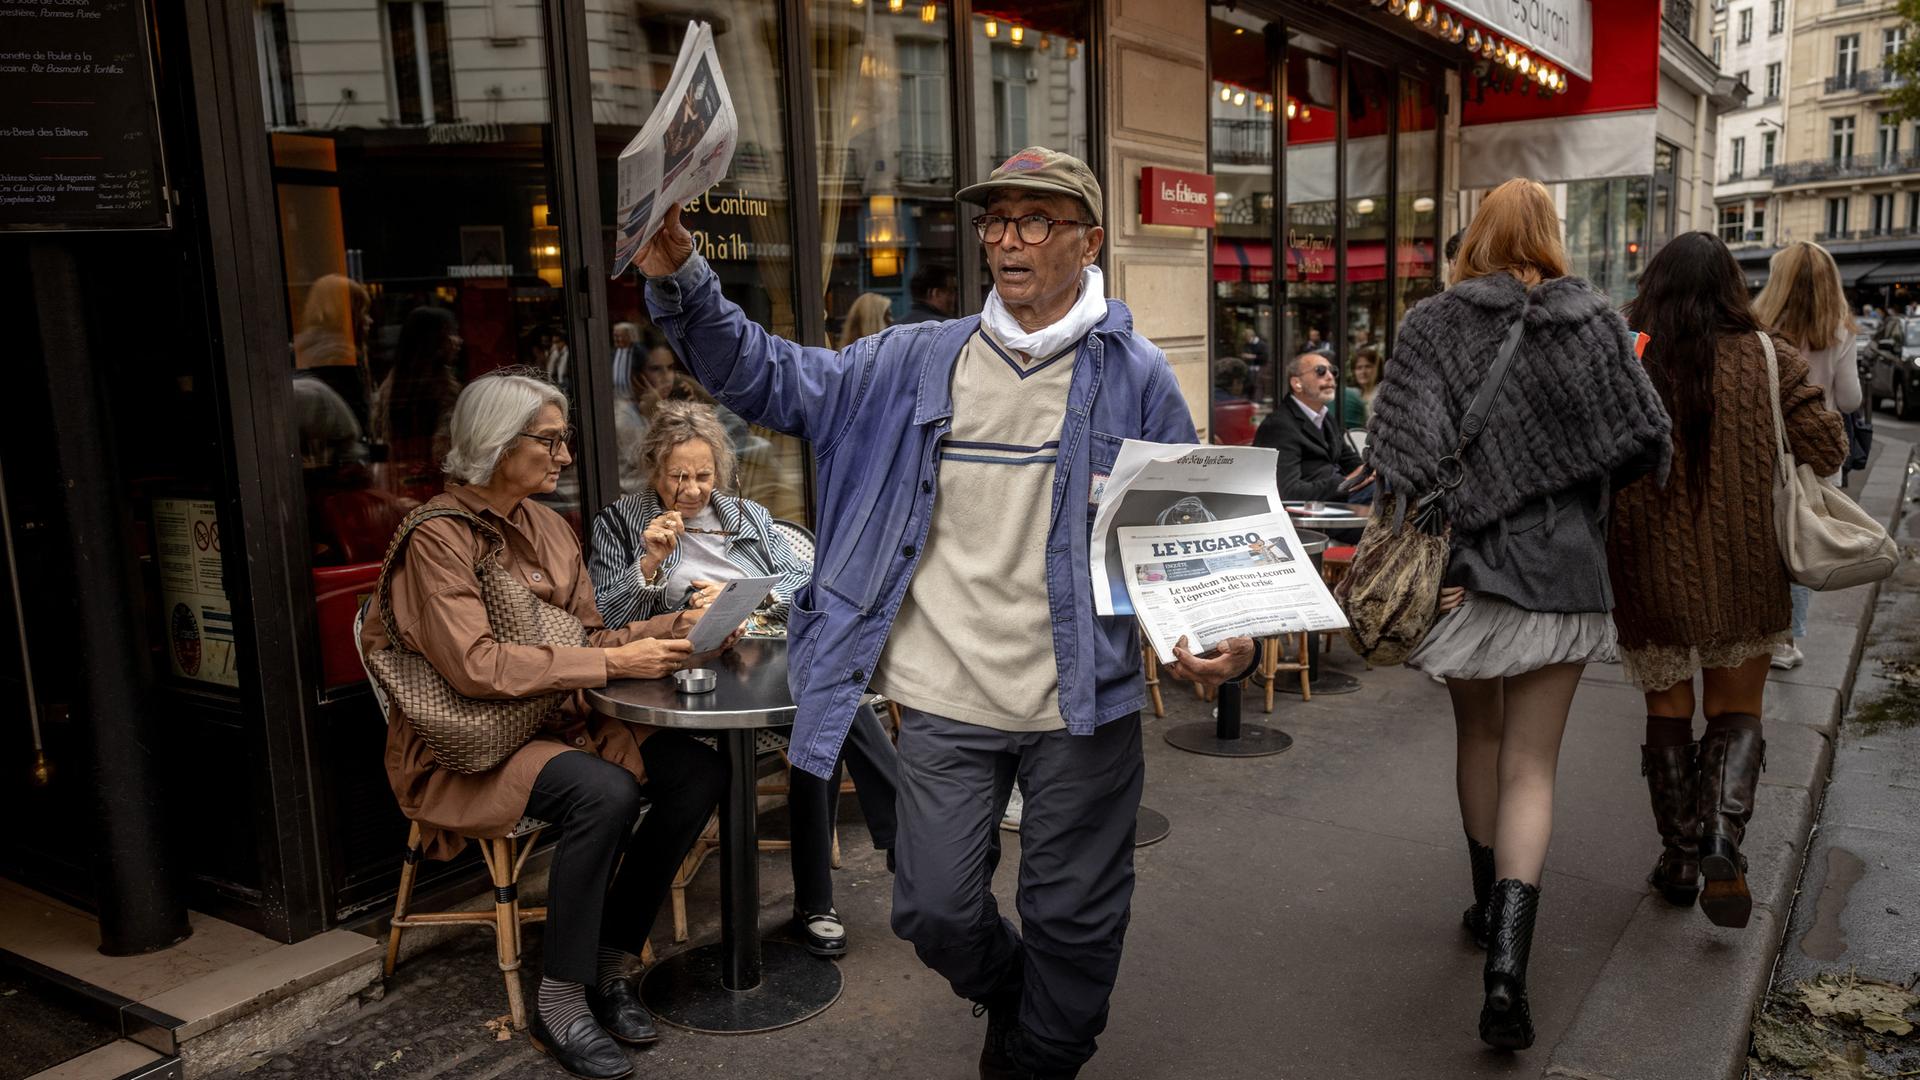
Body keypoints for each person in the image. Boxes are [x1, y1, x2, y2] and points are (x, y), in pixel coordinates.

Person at [633, 145, 1254, 1080]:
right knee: (932, 908)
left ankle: (1039, 1055)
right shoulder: (911, 360)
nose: (1008, 240)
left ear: (1087, 242)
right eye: (996, 221)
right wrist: (682, 276)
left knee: (1073, 920)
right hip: (947, 703)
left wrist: (1222, 643)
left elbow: (1195, 543)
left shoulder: (1139, 378)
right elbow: (765, 376)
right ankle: (1014, 994)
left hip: (1079, 705)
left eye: (1036, 221)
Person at [1369, 178, 1672, 1052]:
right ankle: (1509, 966)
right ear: (1551, 235)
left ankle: (1481, 907)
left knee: (1481, 743)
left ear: (1476, 235)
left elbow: (1406, 460)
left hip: (1472, 572)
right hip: (1566, 569)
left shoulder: (1435, 323)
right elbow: (1644, 443)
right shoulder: (1599, 329)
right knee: (1535, 767)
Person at [361, 370, 732, 1080]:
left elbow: (590, 637)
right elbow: (475, 667)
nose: (564, 457)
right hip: (471, 743)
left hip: (557, 720)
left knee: (701, 772)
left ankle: (611, 962)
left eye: (562, 441)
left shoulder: (549, 526)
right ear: (499, 445)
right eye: (551, 441)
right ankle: (560, 1001)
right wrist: (614, 667)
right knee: (605, 794)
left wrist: (677, 629)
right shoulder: (439, 538)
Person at [587, 400, 900, 958]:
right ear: (654, 470)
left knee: (822, 714)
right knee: (826, 706)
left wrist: (748, 599)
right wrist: (655, 570)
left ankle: (819, 901)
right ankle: (903, 834)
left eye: (703, 475)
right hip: (678, 671)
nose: (691, 488)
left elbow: (807, 586)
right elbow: (606, 618)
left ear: (720, 472)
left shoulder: (747, 518)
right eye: (677, 475)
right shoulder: (622, 522)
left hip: (760, 659)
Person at [1611, 233, 1846, 931]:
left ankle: (1681, 861)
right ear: (1731, 288)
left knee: (1668, 712)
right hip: (1745, 564)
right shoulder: (1771, 356)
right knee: (1737, 710)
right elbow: (1829, 449)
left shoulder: (1632, 354)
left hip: (1647, 563)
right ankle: (1722, 837)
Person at [1750, 241, 1863, 671]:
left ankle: (1761, 630)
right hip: (1817, 456)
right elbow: (1850, 401)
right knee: (1802, 544)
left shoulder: (1759, 326)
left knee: (1766, 544)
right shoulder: (1840, 330)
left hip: (1769, 450)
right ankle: (1788, 640)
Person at [1252, 352, 1371, 503]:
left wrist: (1368, 472)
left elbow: (1349, 460)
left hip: (1341, 501)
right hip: (1315, 512)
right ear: (1297, 383)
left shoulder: (1325, 417)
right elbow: (1287, 493)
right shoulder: (1278, 426)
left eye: (1333, 371)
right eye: (1320, 371)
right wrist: (1346, 482)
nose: (1330, 377)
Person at [372, 306, 465, 487]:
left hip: (399, 480)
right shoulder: (444, 388)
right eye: (451, 333)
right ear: (435, 341)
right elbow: (444, 452)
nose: (458, 341)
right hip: (435, 484)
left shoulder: (394, 382)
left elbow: (379, 429)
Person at [1351, 346, 1384, 422]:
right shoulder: (1354, 393)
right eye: (1359, 368)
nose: (1363, 372)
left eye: (1368, 366)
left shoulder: (1383, 394)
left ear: (1378, 369)